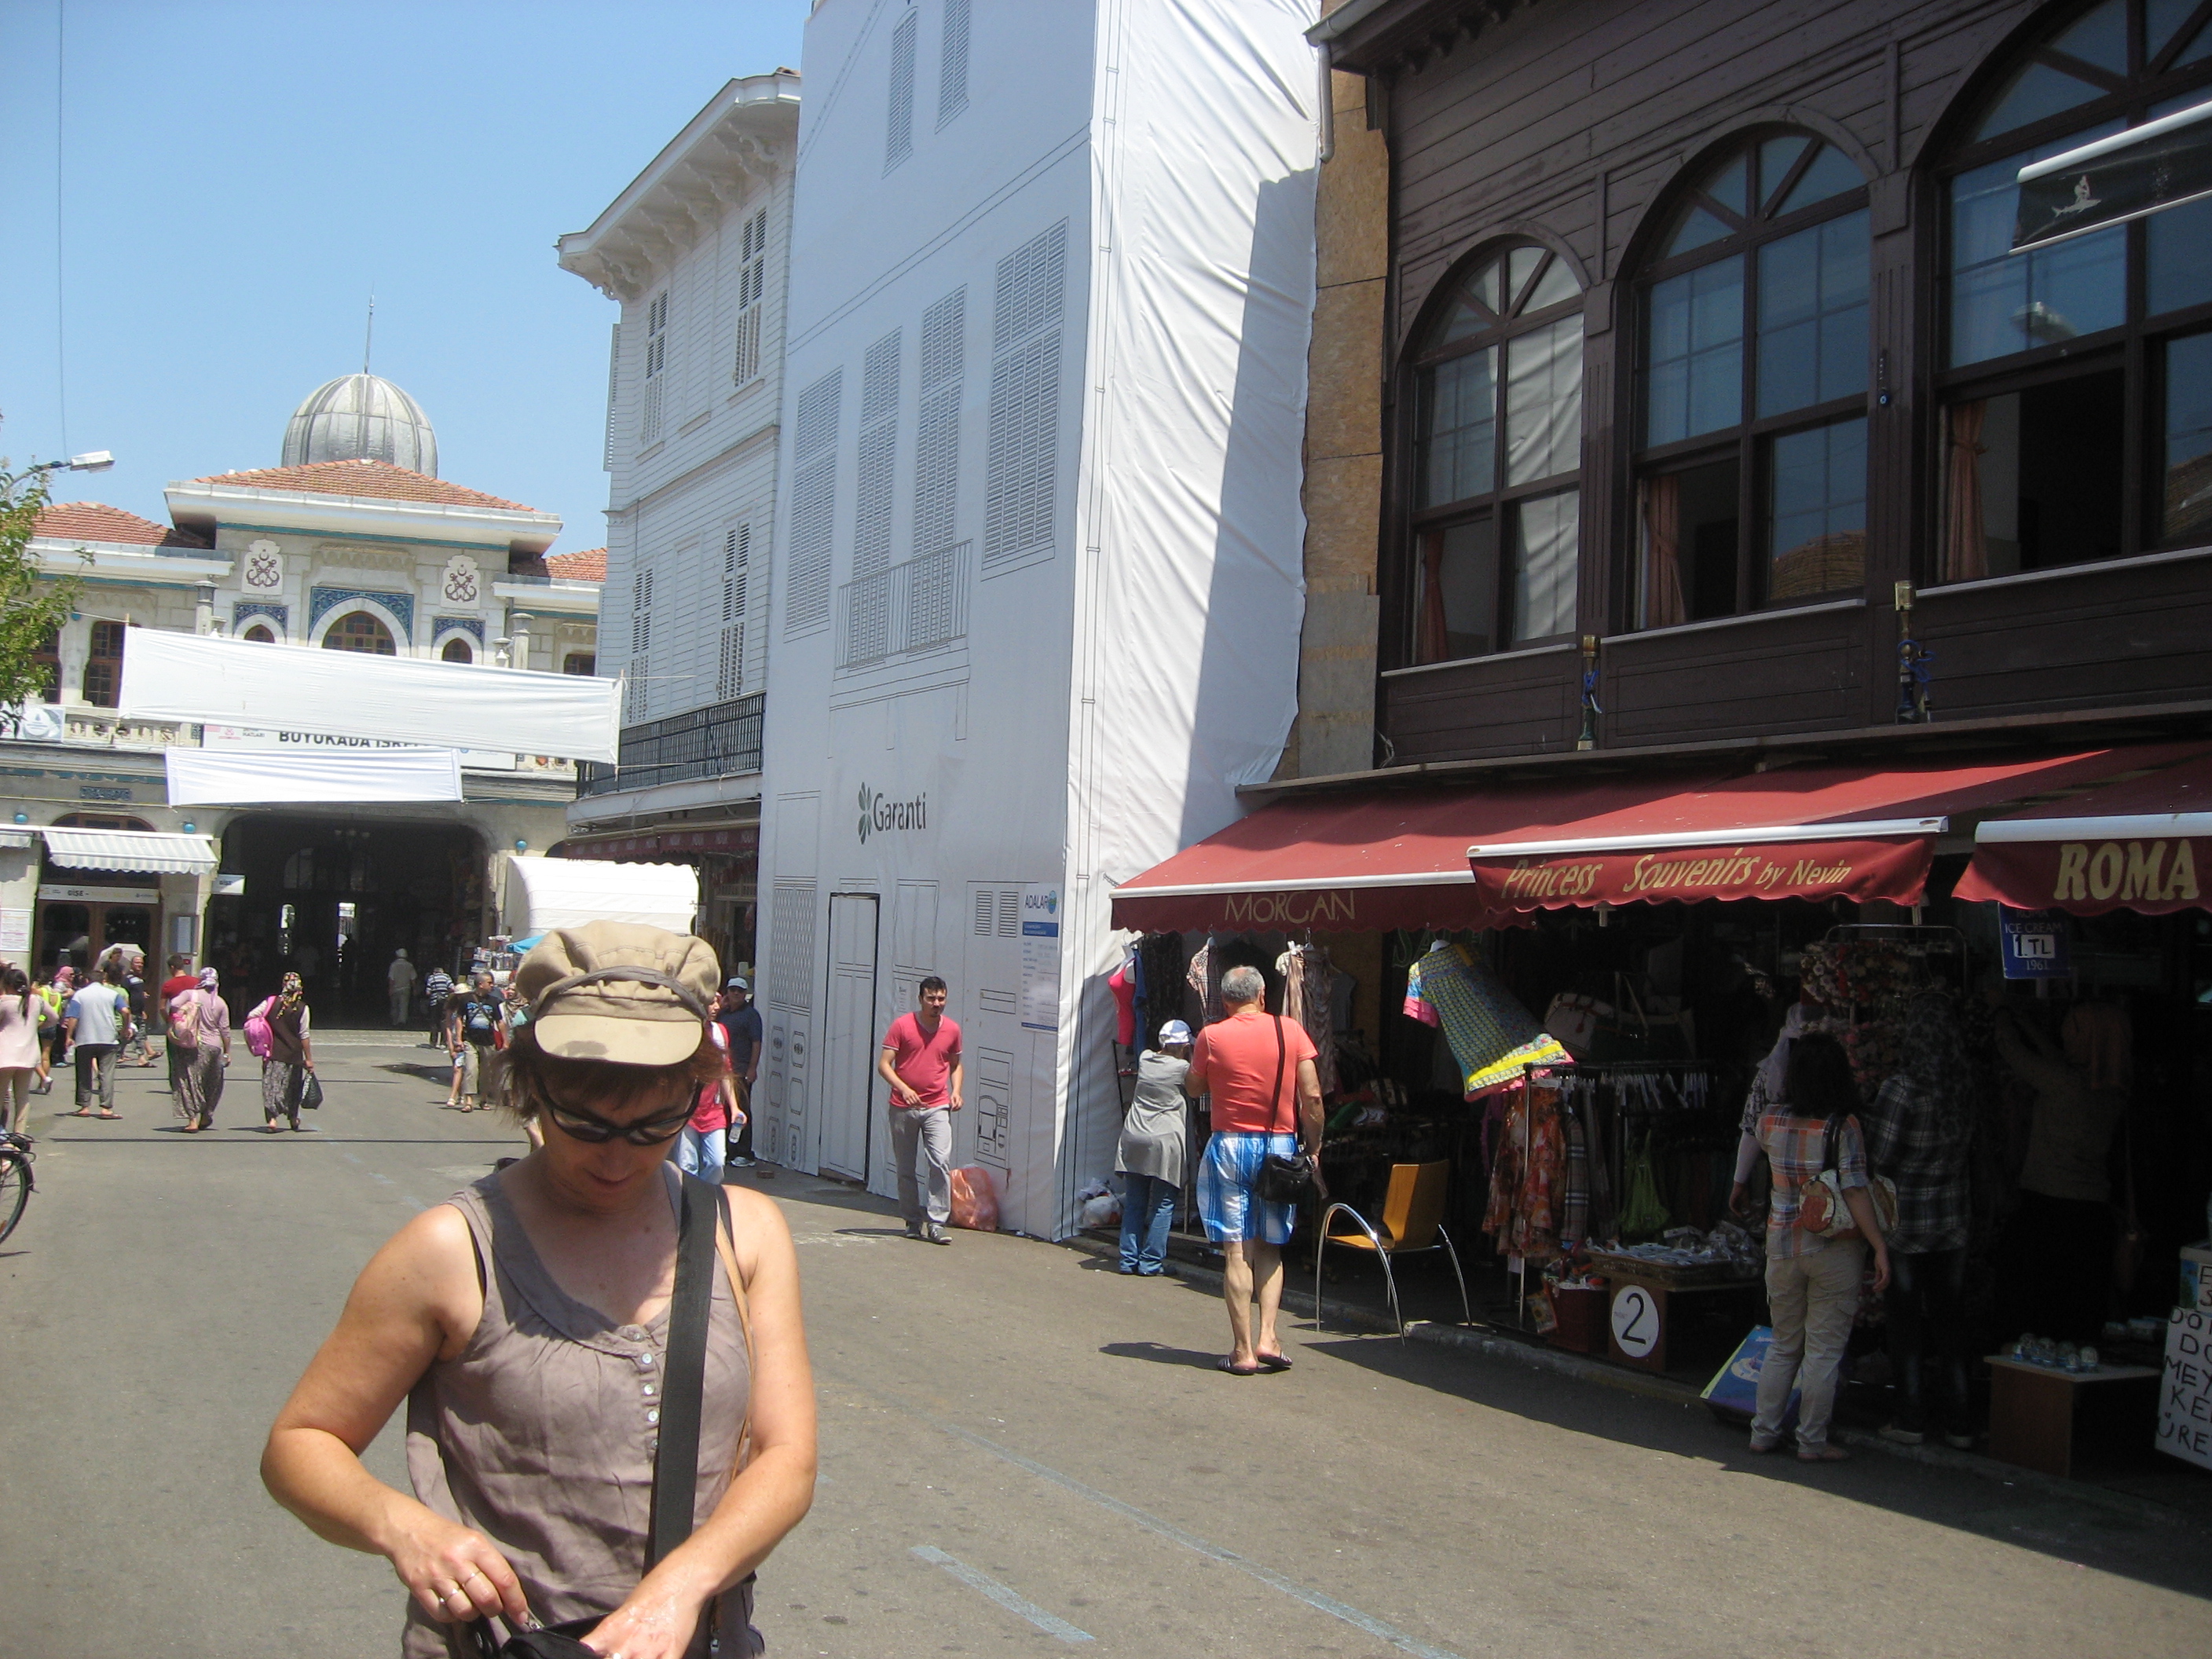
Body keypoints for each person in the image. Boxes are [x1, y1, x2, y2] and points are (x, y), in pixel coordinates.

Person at [261, 921, 816, 1656]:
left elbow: (787, 1457)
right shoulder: (452, 1250)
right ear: (531, 1085)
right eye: (583, 1123)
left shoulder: (744, 1234)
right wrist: (405, 1529)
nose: (617, 1159)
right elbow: (300, 1444)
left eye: (655, 1125)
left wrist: (683, 1588)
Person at [1730, 1031, 1891, 1463]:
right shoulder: (1844, 1126)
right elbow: (1855, 1190)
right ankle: (1811, 1441)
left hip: (1782, 1246)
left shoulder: (1771, 1120)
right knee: (1823, 1351)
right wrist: (1879, 1246)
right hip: (1833, 1249)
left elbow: (1753, 1144)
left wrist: (1738, 1184)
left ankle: (1763, 1432)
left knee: (1784, 1344)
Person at [1184, 966, 1323, 1375]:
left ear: (1225, 1001)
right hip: (1279, 1147)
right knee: (1270, 1247)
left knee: (1236, 1250)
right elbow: (1313, 1096)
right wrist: (1314, 1146)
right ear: (1262, 995)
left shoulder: (1211, 1036)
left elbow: (1194, 1087)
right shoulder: (1290, 1031)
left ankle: (1242, 1351)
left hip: (1229, 1145)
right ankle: (1269, 1338)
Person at [1864, 992, 1975, 1448]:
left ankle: (1910, 1417)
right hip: (1952, 1219)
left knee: (1905, 1323)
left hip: (1905, 1223)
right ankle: (1962, 1422)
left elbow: (1881, 1156)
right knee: (1951, 1321)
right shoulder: (1964, 1087)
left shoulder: (1902, 1089)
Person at [1992, 1002, 2130, 1343]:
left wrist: (2001, 1013)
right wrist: (2027, 1023)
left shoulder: (2066, 1083)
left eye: (2074, 1032)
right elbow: (2058, 1060)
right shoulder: (2113, 1089)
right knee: (2076, 1314)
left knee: (2035, 1314)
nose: (2067, 1038)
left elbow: (2012, 1051)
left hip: (2049, 1209)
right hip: (2091, 1214)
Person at [878, 976, 963, 1245]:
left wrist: (956, 1091)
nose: (936, 1004)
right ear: (921, 999)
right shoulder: (902, 1026)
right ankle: (912, 1221)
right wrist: (903, 1089)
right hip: (903, 1107)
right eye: (931, 998)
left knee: (940, 1161)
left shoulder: (952, 1029)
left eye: (941, 999)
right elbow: (884, 1065)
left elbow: (955, 1065)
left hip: (937, 1105)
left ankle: (937, 1222)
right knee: (906, 1167)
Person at [1115, 1020, 1192, 1276]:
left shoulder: (1146, 1058)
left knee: (1135, 1203)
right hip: (1164, 1141)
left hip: (1134, 1135)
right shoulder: (1182, 1068)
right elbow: (1195, 1089)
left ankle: (1128, 1260)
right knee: (1162, 1204)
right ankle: (1150, 1263)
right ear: (1184, 1047)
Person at [678, 996, 739, 1186]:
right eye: (711, 1003)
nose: (716, 1007)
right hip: (687, 1111)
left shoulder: (720, 1032)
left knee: (717, 1162)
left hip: (713, 1110)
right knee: (687, 1165)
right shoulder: (686, 1032)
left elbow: (725, 1072)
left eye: (717, 1003)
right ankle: (690, 1199)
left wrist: (735, 1107)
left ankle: (702, 1194)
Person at [64, 961, 133, 1120]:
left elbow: (73, 1017)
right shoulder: (112, 994)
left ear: (87, 980)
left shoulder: (80, 995)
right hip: (108, 1038)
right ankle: (106, 1108)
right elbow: (125, 1011)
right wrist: (125, 1028)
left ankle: (84, 1106)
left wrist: (69, 1036)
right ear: (103, 980)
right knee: (107, 1073)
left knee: (83, 1072)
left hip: (85, 1038)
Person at [170, 966, 234, 1133]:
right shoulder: (220, 1002)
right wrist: (227, 1052)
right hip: (215, 1047)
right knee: (212, 1083)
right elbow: (225, 1030)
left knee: (191, 1081)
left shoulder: (191, 994)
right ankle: (206, 1115)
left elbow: (174, 1003)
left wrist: (186, 1010)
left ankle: (192, 1120)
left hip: (195, 1045)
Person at [716, 976, 764, 1171]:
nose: (736, 994)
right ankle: (730, 1150)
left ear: (745, 994)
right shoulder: (722, 1013)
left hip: (741, 1070)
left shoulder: (751, 1015)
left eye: (740, 991)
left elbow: (756, 1043)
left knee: (741, 1110)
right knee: (725, 1110)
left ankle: (744, 1152)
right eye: (733, 990)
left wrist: (752, 1068)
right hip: (723, 1071)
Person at [262, 972, 317, 1132]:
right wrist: (308, 1058)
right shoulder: (302, 1008)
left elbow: (253, 1015)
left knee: (272, 1086)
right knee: (292, 1088)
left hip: (273, 1053)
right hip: (294, 1055)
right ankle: (293, 1118)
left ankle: (272, 1119)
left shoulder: (271, 1003)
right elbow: (304, 1035)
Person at [450, 972, 505, 1113]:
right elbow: (459, 1018)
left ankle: (484, 1099)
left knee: (486, 1073)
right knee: (471, 1069)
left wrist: (506, 1041)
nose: (492, 985)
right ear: (481, 984)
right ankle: (469, 1101)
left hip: (488, 1042)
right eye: (490, 983)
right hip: (471, 1040)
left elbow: (499, 1022)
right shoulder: (466, 999)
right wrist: (459, 1039)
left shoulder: (494, 1001)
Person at [0, 965, 42, 1134]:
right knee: (22, 1098)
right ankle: (19, 1135)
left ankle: (2, 1134)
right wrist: (34, 1027)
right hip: (28, 1055)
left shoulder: (5, 1002)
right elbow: (53, 1018)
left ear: (7, 984)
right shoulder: (36, 1001)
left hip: (5, 1055)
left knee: (1, 1095)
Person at [156, 954, 198, 1098]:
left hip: (176, 1023)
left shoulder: (169, 984)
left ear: (172, 967)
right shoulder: (196, 982)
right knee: (193, 1055)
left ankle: (176, 1085)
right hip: (193, 1023)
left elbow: (162, 1007)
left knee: (174, 1056)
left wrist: (169, 1020)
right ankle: (192, 1084)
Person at [121, 951, 156, 1066]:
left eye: (141, 963)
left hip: (139, 1012)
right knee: (127, 1036)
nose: (140, 965)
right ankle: (117, 1054)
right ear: (132, 964)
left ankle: (142, 1059)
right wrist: (127, 1011)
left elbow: (138, 994)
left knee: (141, 1036)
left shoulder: (140, 979)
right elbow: (125, 994)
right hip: (130, 1012)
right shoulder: (127, 978)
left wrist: (143, 1010)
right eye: (137, 963)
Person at [423, 961, 455, 1048]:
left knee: (434, 1022)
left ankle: (433, 1042)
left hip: (434, 1002)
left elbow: (428, 992)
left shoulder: (431, 978)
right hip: (445, 1001)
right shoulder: (446, 977)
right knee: (444, 1021)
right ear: (442, 971)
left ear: (434, 972)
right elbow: (452, 988)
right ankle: (443, 1043)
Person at [387, 948, 416, 1027]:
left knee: (394, 1006)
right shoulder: (410, 965)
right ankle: (402, 1021)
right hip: (406, 988)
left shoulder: (393, 965)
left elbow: (391, 979)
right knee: (404, 1006)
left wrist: (390, 989)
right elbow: (413, 979)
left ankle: (394, 1021)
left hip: (395, 988)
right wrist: (414, 989)